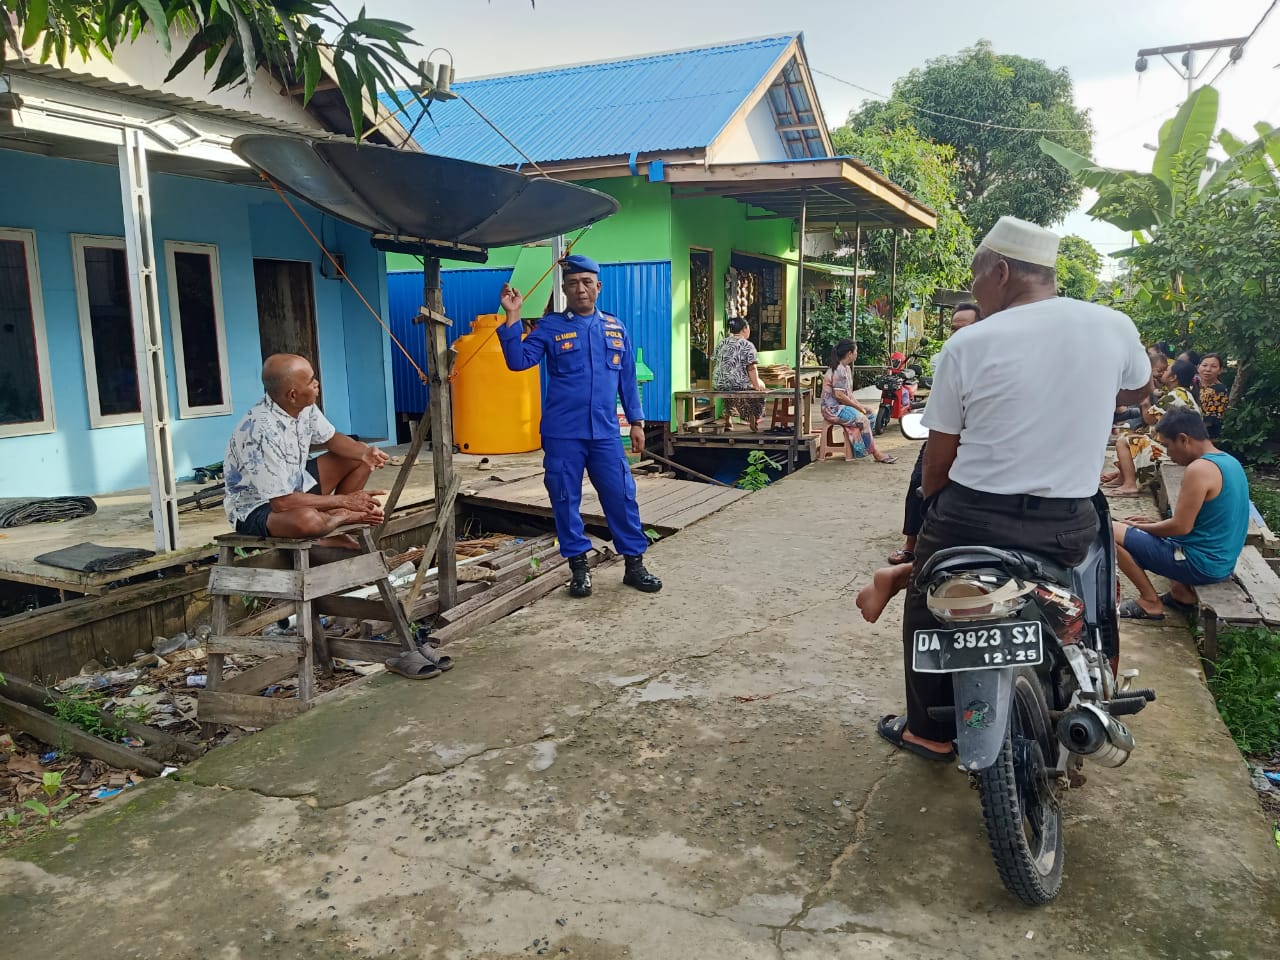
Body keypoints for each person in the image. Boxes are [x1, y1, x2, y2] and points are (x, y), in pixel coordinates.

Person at [877, 216, 1151, 762]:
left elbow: (939, 459)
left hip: (972, 518)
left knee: (927, 599)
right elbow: (1139, 389)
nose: (975, 290)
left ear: (1001, 271)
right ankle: (1091, 678)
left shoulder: (968, 344)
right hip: (1067, 522)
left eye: (976, 278)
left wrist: (934, 509)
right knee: (1091, 592)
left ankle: (927, 732)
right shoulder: (1113, 325)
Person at [498, 254, 662, 598]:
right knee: (564, 498)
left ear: (598, 286)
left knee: (621, 496)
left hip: (605, 433)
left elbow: (627, 379)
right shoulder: (551, 327)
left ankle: (634, 565)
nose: (580, 289)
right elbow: (518, 361)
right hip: (563, 433)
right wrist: (513, 316)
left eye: (587, 282)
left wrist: (636, 421)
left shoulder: (615, 327)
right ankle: (578, 569)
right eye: (572, 284)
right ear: (564, 289)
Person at [223, 354, 389, 547]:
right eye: (311, 381)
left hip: (296, 485)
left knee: (357, 455)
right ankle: (341, 517)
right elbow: (281, 503)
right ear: (292, 395)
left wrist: (365, 453)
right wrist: (345, 501)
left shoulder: (302, 407)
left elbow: (331, 439)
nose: (317, 384)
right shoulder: (260, 432)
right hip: (258, 507)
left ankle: (331, 519)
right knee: (307, 521)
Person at [1113, 407, 1249, 620]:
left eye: (1168, 445)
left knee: (1110, 531)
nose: (1167, 453)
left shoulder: (1199, 469)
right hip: (1220, 562)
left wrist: (1141, 528)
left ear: (1184, 439)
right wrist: (1152, 525)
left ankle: (1150, 602)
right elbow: (1203, 521)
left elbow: (1181, 527)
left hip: (1201, 564)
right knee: (1137, 530)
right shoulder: (1229, 462)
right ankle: (1181, 594)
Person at [888, 302, 981, 564]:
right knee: (920, 479)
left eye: (965, 328)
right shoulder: (944, 358)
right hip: (942, 431)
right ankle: (911, 543)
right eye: (954, 328)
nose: (957, 334)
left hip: (976, 438)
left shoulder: (991, 361)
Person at [1103, 358, 1201, 496]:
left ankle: (1130, 484)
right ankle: (1122, 476)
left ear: (1173, 377)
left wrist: (1145, 401)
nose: (1163, 372)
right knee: (1130, 436)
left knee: (1123, 441)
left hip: (1175, 451)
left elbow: (1149, 418)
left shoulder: (1175, 395)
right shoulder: (1183, 393)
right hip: (1179, 447)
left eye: (1167, 370)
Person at [820, 339, 897, 464]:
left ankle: (859, 450)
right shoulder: (838, 370)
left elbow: (848, 394)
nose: (857, 354)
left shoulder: (846, 369)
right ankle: (876, 453)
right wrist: (857, 407)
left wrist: (860, 406)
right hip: (833, 409)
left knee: (870, 413)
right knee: (862, 420)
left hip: (843, 407)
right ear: (850, 353)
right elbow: (839, 395)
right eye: (856, 351)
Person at [711, 318, 768, 431]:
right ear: (745, 329)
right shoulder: (747, 345)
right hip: (737, 383)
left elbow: (715, 361)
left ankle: (728, 420)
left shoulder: (722, 343)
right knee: (760, 387)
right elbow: (752, 368)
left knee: (728, 387)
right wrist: (757, 385)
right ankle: (753, 417)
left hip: (718, 383)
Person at [1198, 353, 1229, 439]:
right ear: (1198, 367)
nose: (1208, 369)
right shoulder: (1194, 385)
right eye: (1204, 365)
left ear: (1220, 370)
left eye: (1213, 366)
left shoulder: (1219, 390)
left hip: (1205, 436)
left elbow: (1210, 420)